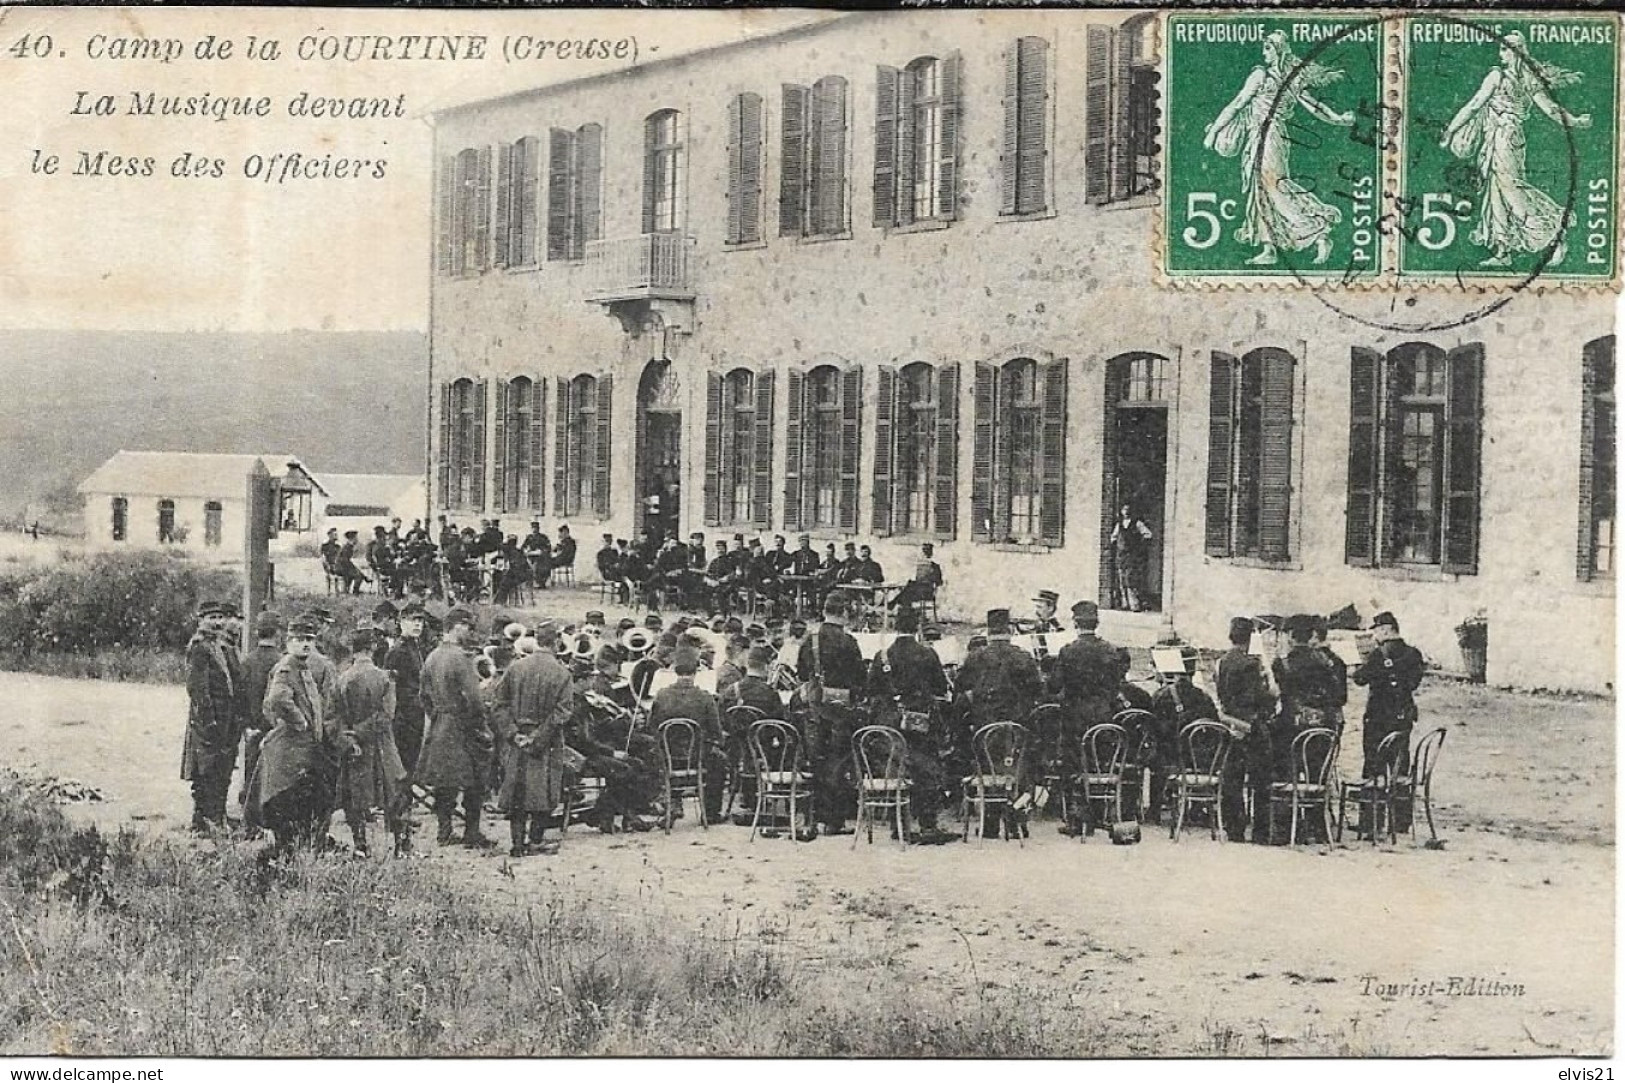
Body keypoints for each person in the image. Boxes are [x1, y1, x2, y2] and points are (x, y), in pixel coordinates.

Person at [1203, 29, 1356, 267]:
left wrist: (1214, 131)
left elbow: (1237, 104)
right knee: (1261, 190)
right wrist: (1337, 118)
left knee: (1273, 187)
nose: (1264, 53)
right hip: (1266, 137)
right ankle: (1269, 248)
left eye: (1268, 48)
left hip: (1269, 137)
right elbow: (1316, 107)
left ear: (1278, 51)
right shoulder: (1290, 79)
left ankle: (1317, 231)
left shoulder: (1262, 75)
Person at [1440, 31, 1592, 267]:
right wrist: (1575, 121)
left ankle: (1552, 234)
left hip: (1504, 139)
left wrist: (1450, 130)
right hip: (1502, 139)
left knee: (1511, 190)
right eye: (1502, 48)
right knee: (1495, 191)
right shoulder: (1524, 78)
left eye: (1506, 48)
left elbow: (1473, 106)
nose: (1502, 53)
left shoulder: (1499, 76)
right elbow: (1549, 108)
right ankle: (1502, 252)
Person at [248, 616, 338, 854]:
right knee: (290, 801)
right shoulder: (287, 667)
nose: (305, 644)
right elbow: (277, 699)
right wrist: (299, 723)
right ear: (288, 642)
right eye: (299, 640)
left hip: (304, 749)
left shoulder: (302, 667)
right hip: (292, 750)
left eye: (309, 639)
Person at [866, 606, 953, 841]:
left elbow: (871, 689)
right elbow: (940, 688)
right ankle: (927, 824)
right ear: (918, 628)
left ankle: (898, 824)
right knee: (926, 770)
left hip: (890, 727)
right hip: (920, 722)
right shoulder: (927, 654)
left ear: (895, 627)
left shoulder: (882, 656)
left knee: (895, 772)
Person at [489, 622, 574, 857]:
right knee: (544, 790)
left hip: (517, 741)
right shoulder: (562, 672)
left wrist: (514, 734)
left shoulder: (516, 668)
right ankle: (535, 840)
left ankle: (517, 844)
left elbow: (499, 705)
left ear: (537, 640)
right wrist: (538, 738)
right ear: (556, 642)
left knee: (517, 790)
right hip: (546, 742)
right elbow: (563, 712)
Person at [417, 607, 497, 849]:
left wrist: (438, 715)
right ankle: (472, 833)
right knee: (476, 779)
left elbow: (423, 695)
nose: (470, 631)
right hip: (462, 727)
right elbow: (474, 699)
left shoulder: (432, 657)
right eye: (467, 626)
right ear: (456, 626)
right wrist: (479, 726)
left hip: (441, 724)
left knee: (445, 781)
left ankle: (444, 832)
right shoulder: (460, 659)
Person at [333, 627, 411, 857]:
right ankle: (401, 845)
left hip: (354, 747)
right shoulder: (385, 678)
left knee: (355, 796)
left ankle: (360, 845)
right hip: (382, 745)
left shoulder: (341, 679)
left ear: (353, 650)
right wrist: (361, 732)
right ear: (373, 648)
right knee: (395, 792)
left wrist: (348, 738)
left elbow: (333, 717)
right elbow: (386, 716)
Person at [794, 594, 867, 836]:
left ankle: (813, 818)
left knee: (816, 760)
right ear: (844, 613)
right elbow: (860, 678)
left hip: (815, 708)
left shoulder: (810, 640)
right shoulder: (848, 642)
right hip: (840, 710)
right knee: (838, 763)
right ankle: (835, 821)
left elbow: (802, 673)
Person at [1048, 600, 1122, 833]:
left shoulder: (1069, 651)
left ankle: (1077, 819)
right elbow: (1116, 684)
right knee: (1099, 765)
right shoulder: (1110, 650)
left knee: (1073, 766)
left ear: (1076, 623)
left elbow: (1054, 685)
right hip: (1103, 716)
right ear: (1096, 623)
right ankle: (1100, 815)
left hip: (1075, 717)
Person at [1351, 611, 1425, 832]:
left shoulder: (1377, 654)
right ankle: (1401, 821)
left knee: (1373, 767)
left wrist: (1362, 663)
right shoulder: (1413, 654)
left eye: (1376, 630)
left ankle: (1371, 822)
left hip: (1378, 717)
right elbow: (1414, 682)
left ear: (1385, 629)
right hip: (1403, 715)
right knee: (1400, 766)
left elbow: (1359, 679)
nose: (1374, 635)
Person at [181, 601, 246, 833]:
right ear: (201, 620)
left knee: (218, 769)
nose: (218, 622)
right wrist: (209, 721)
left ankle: (212, 818)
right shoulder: (199, 646)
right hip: (207, 721)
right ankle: (206, 822)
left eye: (220, 617)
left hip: (221, 719)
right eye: (212, 618)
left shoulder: (215, 645)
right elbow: (198, 688)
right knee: (206, 771)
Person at [647, 647, 728, 822]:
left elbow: (651, 726)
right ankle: (711, 813)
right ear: (695, 672)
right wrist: (719, 741)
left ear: (676, 672)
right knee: (719, 761)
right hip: (696, 756)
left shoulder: (661, 695)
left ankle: (674, 800)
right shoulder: (705, 697)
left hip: (668, 757)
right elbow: (716, 731)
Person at [1216, 617, 1277, 843]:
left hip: (1230, 722)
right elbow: (1260, 697)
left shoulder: (1223, 661)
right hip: (1252, 726)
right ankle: (1261, 831)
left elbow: (1222, 693)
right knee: (1261, 779)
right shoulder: (1252, 663)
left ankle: (1235, 829)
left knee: (1232, 778)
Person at [1148, 645, 1218, 826]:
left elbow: (1153, 729)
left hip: (1169, 757)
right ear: (1194, 671)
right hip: (1196, 760)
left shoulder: (1161, 696)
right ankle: (1196, 808)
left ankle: (1154, 810)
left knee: (1156, 754)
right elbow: (1214, 730)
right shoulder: (1204, 697)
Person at [956, 609, 1043, 733]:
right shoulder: (1023, 655)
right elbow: (1036, 689)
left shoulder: (974, 656)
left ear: (988, 632)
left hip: (984, 724)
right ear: (1009, 631)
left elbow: (960, 685)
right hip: (1018, 725)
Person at [239, 610, 285, 821]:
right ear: (278, 634)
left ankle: (249, 822)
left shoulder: (247, 661)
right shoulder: (282, 662)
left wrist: (247, 725)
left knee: (251, 774)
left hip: (253, 728)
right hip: (275, 729)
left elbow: (240, 696)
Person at [385, 601, 429, 775]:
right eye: (413, 620)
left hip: (415, 715)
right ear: (402, 623)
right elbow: (392, 687)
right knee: (404, 765)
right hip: (403, 717)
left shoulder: (415, 648)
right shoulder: (398, 651)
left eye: (420, 621)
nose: (418, 624)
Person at [1109, 505, 1155, 612]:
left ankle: (1135, 604)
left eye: (1128, 509)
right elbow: (1113, 537)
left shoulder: (1137, 523)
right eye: (1124, 510)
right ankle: (1125, 604)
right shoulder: (1119, 524)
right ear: (1121, 511)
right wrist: (1117, 544)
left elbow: (1148, 534)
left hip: (1132, 555)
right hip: (1121, 555)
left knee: (1131, 579)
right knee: (1122, 579)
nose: (1126, 512)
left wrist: (1139, 545)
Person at [889, 542, 943, 613]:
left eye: (927, 550)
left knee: (907, 592)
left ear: (931, 552)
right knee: (909, 588)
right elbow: (917, 578)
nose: (925, 552)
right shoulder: (920, 564)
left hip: (927, 591)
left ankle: (894, 604)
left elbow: (939, 582)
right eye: (924, 550)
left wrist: (931, 577)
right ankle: (907, 615)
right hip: (916, 590)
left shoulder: (935, 566)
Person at [367, 526, 399, 597]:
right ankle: (393, 592)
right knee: (399, 571)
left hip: (378, 568)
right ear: (382, 536)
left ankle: (388, 590)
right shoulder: (383, 547)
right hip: (383, 569)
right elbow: (391, 557)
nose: (386, 538)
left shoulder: (375, 546)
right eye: (384, 536)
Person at [336, 531, 368, 595]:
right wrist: (356, 569)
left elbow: (348, 561)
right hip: (341, 568)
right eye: (356, 537)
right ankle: (355, 591)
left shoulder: (348, 546)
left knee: (357, 573)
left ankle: (347, 590)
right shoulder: (347, 547)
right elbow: (345, 561)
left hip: (343, 567)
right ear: (352, 538)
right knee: (359, 575)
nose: (357, 539)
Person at [523, 523, 553, 589]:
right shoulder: (529, 537)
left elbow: (548, 547)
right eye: (533, 528)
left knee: (543, 564)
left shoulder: (543, 537)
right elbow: (523, 547)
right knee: (528, 563)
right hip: (531, 556)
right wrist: (526, 550)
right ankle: (531, 581)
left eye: (536, 528)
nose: (534, 529)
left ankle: (541, 582)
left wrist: (542, 550)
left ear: (538, 529)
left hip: (541, 557)